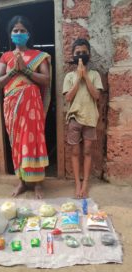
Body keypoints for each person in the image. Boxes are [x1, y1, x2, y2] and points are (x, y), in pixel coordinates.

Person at [0, 16, 51, 199]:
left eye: (22, 30)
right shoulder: (6, 57)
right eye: (15, 30)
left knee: (33, 141)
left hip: (32, 105)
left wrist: (26, 70)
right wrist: (13, 71)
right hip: (12, 105)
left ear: (28, 33)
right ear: (10, 34)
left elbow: (46, 79)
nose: (19, 33)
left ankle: (38, 184)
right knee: (17, 143)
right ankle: (21, 182)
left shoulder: (39, 56)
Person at [63, 38, 103, 199]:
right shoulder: (69, 76)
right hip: (74, 119)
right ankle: (77, 184)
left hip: (90, 119)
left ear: (89, 55)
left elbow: (97, 95)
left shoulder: (94, 75)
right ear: (72, 55)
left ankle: (85, 182)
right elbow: (68, 98)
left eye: (84, 53)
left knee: (87, 151)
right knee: (75, 152)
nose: (81, 55)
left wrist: (85, 76)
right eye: (77, 53)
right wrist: (78, 78)